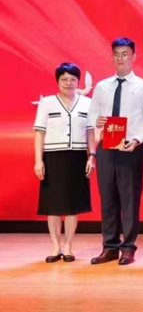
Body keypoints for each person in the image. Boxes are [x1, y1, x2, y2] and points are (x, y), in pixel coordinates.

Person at [89, 37, 143, 266]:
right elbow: (92, 115)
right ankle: (109, 247)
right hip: (107, 147)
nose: (121, 58)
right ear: (112, 57)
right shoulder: (102, 86)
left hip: (131, 148)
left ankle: (128, 247)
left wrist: (137, 140)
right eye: (117, 54)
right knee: (108, 198)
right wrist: (97, 122)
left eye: (125, 54)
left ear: (133, 56)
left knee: (129, 199)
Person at [33, 63, 96, 262]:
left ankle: (68, 246)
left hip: (77, 157)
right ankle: (55, 247)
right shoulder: (47, 103)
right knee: (53, 206)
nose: (68, 83)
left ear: (78, 81)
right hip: (53, 158)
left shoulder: (87, 103)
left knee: (72, 205)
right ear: (57, 81)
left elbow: (90, 133)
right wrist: (38, 160)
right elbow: (39, 133)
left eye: (73, 79)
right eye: (64, 79)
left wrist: (92, 156)